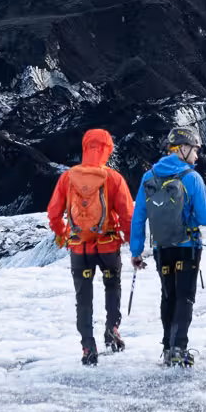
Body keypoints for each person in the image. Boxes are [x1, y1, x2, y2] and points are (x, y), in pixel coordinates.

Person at [129, 124, 206, 367]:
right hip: (187, 247)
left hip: (162, 248)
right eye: (195, 149)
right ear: (182, 149)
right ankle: (180, 347)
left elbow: (138, 216)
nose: (197, 155)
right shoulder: (191, 178)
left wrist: (136, 251)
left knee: (168, 295)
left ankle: (168, 349)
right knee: (185, 298)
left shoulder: (149, 178)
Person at [46, 127, 135, 366]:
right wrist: (130, 242)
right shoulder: (114, 179)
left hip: (79, 249)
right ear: (108, 150)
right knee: (112, 286)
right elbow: (128, 215)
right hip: (108, 246)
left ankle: (88, 346)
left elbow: (54, 213)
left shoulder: (67, 178)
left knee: (83, 298)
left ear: (85, 148)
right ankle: (112, 328)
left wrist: (63, 234)